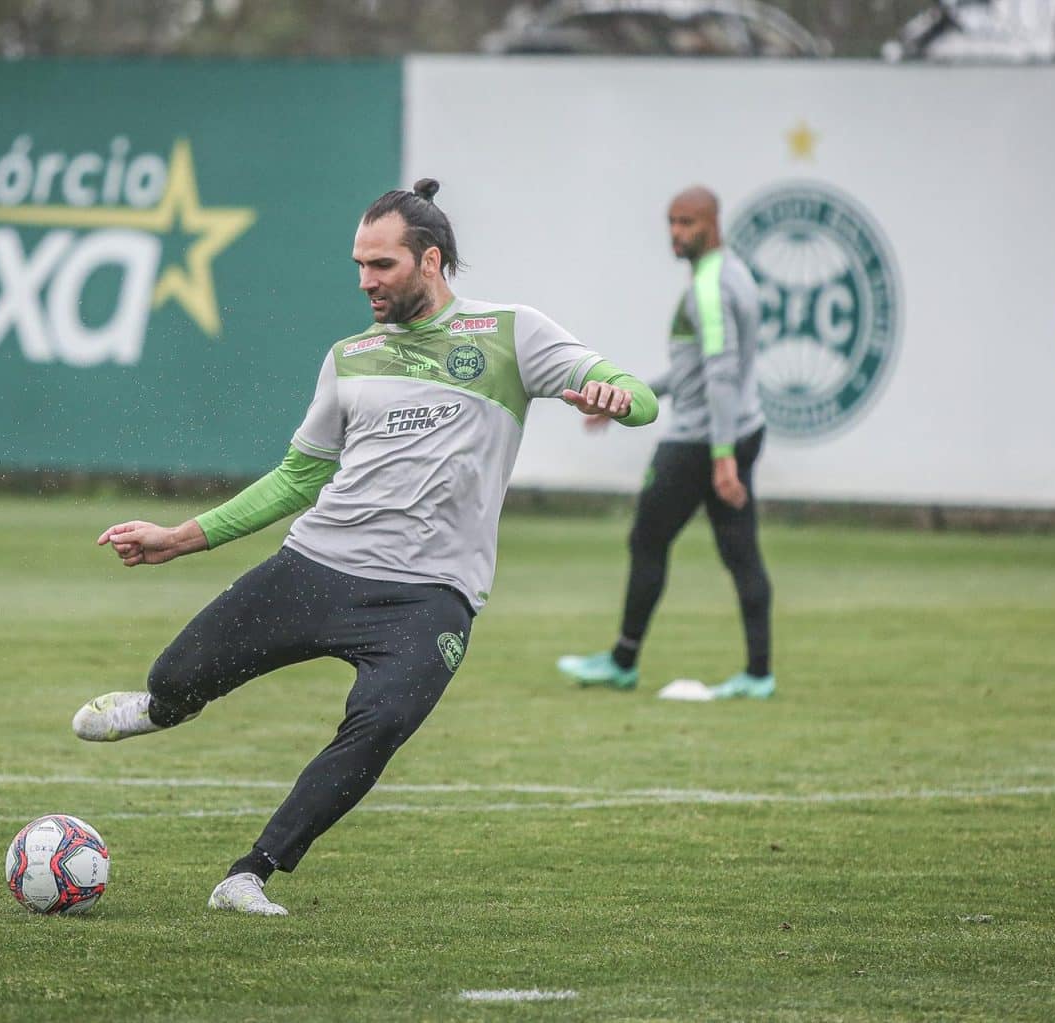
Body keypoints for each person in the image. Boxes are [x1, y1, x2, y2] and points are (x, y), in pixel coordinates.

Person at [71, 178, 657, 917]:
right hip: (318, 566)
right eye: (359, 265)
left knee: (377, 726)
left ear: (431, 260)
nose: (365, 282)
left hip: (429, 597)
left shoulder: (511, 334)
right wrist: (178, 539)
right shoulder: (350, 356)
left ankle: (248, 873)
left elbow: (636, 393)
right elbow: (295, 480)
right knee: (177, 675)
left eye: (381, 265)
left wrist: (617, 398)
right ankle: (160, 706)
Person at [556, 185, 774, 700]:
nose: (676, 234)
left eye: (687, 223)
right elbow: (696, 370)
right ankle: (759, 674)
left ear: (713, 223)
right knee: (740, 552)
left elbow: (719, 375)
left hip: (699, 443)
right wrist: (637, 396)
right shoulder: (734, 274)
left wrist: (720, 458)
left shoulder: (709, 289)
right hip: (741, 428)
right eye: (672, 223)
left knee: (647, 541)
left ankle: (622, 662)